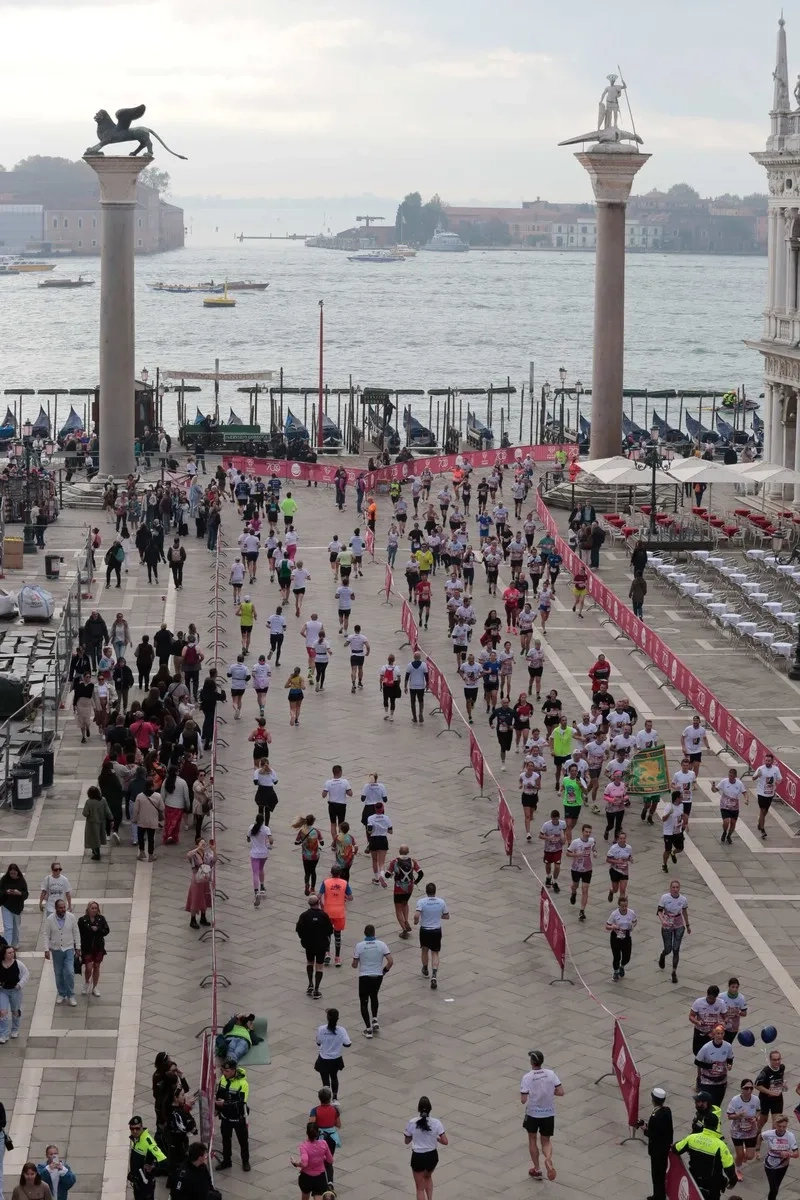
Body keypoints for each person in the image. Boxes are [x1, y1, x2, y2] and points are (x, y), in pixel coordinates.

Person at [673, 1113, 738, 1200]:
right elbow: (729, 1168)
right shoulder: (721, 1146)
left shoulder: (691, 1138)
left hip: (694, 1180)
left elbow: (676, 1149)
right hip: (712, 1186)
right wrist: (733, 1181)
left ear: (704, 1124)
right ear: (716, 1127)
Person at [519, 1050, 562, 1181]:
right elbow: (560, 1092)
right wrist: (549, 1092)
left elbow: (523, 1100)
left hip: (533, 1114)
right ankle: (548, 1160)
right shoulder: (551, 1074)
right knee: (546, 1141)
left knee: (532, 1139)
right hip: (548, 1113)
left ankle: (537, 1169)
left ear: (532, 1062)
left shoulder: (527, 1077)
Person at [351, 923, 393, 1038]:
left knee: (364, 1002)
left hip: (364, 976)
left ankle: (368, 1029)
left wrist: (356, 962)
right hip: (377, 976)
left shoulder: (359, 946)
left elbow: (354, 965)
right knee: (374, 996)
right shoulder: (382, 945)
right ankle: (375, 1019)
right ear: (374, 933)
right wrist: (384, 971)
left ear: (365, 933)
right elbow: (390, 961)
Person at [404, 1096, 448, 1200]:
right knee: (428, 1177)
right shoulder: (437, 1123)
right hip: (432, 1156)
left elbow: (406, 1141)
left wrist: (412, 1136)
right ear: (430, 1109)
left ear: (418, 1109)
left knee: (419, 1189)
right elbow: (445, 1141)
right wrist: (436, 1139)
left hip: (418, 1157)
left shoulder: (412, 1122)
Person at [214, 1061, 250, 1172]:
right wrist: (217, 1109)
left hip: (238, 1118)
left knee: (243, 1141)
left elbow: (241, 1102)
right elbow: (219, 1094)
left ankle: (245, 1161)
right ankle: (226, 1161)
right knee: (225, 1139)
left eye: (227, 1071)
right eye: (223, 1071)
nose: (224, 1073)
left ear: (234, 1070)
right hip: (225, 1117)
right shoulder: (223, 1079)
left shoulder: (243, 1084)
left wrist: (224, 1104)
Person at [413, 882, 449, 991]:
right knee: (435, 952)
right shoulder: (441, 902)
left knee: (424, 950)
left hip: (424, 930)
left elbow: (416, 915)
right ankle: (434, 975)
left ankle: (425, 969)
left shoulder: (421, 902)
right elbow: (447, 916)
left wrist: (416, 921)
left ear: (426, 891)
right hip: (436, 930)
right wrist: (438, 915)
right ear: (435, 891)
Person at [296, 895, 333, 998]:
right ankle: (316, 989)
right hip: (321, 945)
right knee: (319, 966)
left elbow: (299, 929)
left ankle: (310, 984)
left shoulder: (304, 915)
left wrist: (303, 939)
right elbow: (330, 930)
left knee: (310, 962)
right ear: (318, 903)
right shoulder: (324, 915)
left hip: (309, 944)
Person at [43, 899, 79, 1006]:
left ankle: (71, 994)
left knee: (69, 971)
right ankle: (61, 993)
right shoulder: (50, 919)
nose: (63, 909)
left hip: (68, 948)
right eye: (61, 907)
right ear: (56, 908)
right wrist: (46, 949)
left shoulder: (71, 917)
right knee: (58, 973)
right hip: (56, 949)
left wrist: (78, 947)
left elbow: (76, 932)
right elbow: (45, 935)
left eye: (64, 907)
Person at [641, 1087, 673, 1200]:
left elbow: (653, 1134)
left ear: (653, 1100)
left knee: (657, 1175)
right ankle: (659, 1194)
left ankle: (658, 1196)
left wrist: (645, 1129)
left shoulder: (655, 1117)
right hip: (664, 1148)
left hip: (657, 1150)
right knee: (661, 1173)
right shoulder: (667, 1111)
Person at [385, 847, 423, 938]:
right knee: (405, 904)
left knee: (398, 909)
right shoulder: (412, 861)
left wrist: (392, 873)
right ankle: (406, 920)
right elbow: (421, 873)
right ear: (408, 852)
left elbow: (387, 875)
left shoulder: (394, 861)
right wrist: (415, 882)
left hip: (398, 888)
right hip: (409, 888)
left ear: (399, 851)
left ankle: (404, 930)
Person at [318, 864, 352, 967]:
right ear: (340, 873)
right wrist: (344, 895)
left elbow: (319, 895)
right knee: (338, 935)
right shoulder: (344, 883)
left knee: (327, 933)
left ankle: (327, 953)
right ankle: (337, 958)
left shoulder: (326, 882)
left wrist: (321, 903)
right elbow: (350, 897)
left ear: (331, 873)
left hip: (328, 912)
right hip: (339, 913)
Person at [657, 879, 690, 984]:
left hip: (679, 923)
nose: (675, 889)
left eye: (677, 887)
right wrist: (663, 921)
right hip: (667, 922)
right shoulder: (665, 898)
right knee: (668, 949)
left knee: (676, 949)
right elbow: (659, 911)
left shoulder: (683, 899)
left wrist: (688, 925)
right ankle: (663, 955)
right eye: (673, 887)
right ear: (670, 888)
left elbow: (684, 912)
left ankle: (674, 971)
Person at [314, 1008, 351, 1101]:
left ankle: (326, 1099)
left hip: (324, 1058)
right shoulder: (341, 1030)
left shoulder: (321, 1029)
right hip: (336, 1058)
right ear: (337, 1018)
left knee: (325, 1079)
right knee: (334, 1076)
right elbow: (348, 1044)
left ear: (327, 1017)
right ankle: (335, 1098)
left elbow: (318, 1042)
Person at [726, 1079, 760, 1179]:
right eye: (746, 1088)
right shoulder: (735, 1100)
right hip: (737, 1131)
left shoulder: (756, 1099)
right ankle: (738, 1170)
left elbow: (759, 1110)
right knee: (740, 1155)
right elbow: (729, 1115)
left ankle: (743, 1154)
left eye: (751, 1088)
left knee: (750, 1156)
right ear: (741, 1089)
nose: (749, 1090)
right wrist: (738, 1115)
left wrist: (755, 1118)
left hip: (751, 1130)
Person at [291, 1122, 333, 1200]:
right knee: (318, 1196)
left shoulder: (304, 1146)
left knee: (305, 1196)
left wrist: (295, 1163)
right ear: (318, 1133)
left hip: (306, 1178)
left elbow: (304, 1163)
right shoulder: (324, 1144)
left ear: (307, 1133)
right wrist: (321, 1157)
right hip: (320, 1177)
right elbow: (330, 1160)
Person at [695, 1024, 734, 1107]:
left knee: (717, 1105)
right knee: (707, 1104)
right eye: (718, 1033)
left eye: (721, 1033)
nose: (720, 1036)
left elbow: (730, 1058)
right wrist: (710, 1066)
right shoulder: (706, 1048)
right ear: (714, 1034)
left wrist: (729, 1064)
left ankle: (716, 1119)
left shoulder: (728, 1046)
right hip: (708, 1081)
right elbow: (697, 1061)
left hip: (721, 1081)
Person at [762, 1114, 799, 1200]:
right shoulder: (768, 1134)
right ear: (775, 1124)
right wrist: (757, 1149)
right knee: (773, 1188)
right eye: (780, 1126)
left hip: (783, 1165)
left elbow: (796, 1154)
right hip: (769, 1164)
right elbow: (760, 1136)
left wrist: (788, 1154)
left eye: (784, 1127)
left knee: (776, 1187)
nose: (782, 1129)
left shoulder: (790, 1136)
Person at [78, 901, 109, 998]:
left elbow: (106, 930)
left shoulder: (101, 919)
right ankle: (87, 982)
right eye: (92, 908)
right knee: (88, 967)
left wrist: (98, 930)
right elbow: (78, 933)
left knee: (97, 966)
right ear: (88, 909)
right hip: (87, 947)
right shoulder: (82, 920)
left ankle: (95, 986)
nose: (94, 910)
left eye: (96, 908)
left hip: (98, 947)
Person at [566, 822, 596, 921]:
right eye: (586, 832)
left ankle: (582, 911)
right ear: (582, 832)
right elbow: (567, 853)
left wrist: (595, 852)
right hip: (576, 869)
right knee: (575, 885)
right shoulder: (575, 842)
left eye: (589, 832)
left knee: (585, 889)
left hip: (587, 869)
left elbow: (593, 847)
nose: (588, 834)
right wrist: (576, 855)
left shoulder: (591, 841)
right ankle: (573, 893)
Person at [0, 944, 29, 1043]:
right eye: (9, 953)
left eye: (13, 952)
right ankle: (3, 1033)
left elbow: (26, 974)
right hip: (3, 991)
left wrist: (20, 985)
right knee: (2, 1012)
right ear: (4, 954)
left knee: (15, 1011)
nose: (12, 954)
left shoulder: (18, 964)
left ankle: (15, 1029)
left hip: (15, 991)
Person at [712, 768, 748, 844]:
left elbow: (745, 792)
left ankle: (729, 835)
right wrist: (713, 787)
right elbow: (715, 790)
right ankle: (724, 831)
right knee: (726, 821)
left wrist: (746, 800)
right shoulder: (724, 782)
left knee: (733, 823)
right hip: (724, 805)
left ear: (735, 776)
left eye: (732, 775)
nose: (730, 777)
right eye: (729, 775)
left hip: (734, 807)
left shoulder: (739, 783)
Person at [690, 986, 728, 1056]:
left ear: (716, 997)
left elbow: (726, 1016)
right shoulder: (698, 1002)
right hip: (700, 1031)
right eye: (709, 998)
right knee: (697, 1052)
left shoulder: (721, 1003)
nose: (711, 1001)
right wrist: (697, 1022)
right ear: (707, 995)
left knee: (712, 1053)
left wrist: (723, 1023)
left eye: (713, 999)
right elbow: (691, 1016)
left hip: (713, 1033)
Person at [185, 838, 214, 929]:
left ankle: (203, 917)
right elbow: (188, 855)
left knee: (204, 898)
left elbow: (214, 860)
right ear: (197, 844)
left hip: (205, 880)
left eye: (204, 843)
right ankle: (192, 920)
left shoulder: (207, 855)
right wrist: (198, 848)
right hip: (197, 880)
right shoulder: (194, 854)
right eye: (201, 843)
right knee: (195, 899)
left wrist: (214, 850)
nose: (203, 844)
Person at [756, 1049, 787, 1134]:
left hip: (777, 1099)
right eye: (774, 1060)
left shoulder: (782, 1067)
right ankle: (756, 1134)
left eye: (778, 1059)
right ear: (770, 1060)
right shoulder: (765, 1071)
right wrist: (769, 1092)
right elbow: (757, 1085)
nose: (777, 1061)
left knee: (776, 1122)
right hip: (765, 1099)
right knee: (763, 1120)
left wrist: (783, 1085)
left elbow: (781, 1077)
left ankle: (773, 1141)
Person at [753, 752, 783, 839]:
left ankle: (760, 823)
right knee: (762, 810)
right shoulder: (761, 769)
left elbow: (780, 779)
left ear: (772, 761)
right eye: (766, 760)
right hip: (761, 793)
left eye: (769, 761)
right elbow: (753, 778)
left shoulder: (776, 769)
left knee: (765, 811)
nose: (767, 762)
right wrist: (758, 775)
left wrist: (776, 783)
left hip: (770, 794)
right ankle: (762, 830)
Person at [294, 814, 324, 896]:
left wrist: (300, 842)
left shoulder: (302, 831)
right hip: (315, 856)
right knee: (313, 871)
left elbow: (296, 842)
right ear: (313, 822)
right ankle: (313, 889)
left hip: (306, 856)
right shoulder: (316, 831)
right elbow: (322, 842)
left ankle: (307, 885)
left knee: (307, 872)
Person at [247, 812, 273, 907]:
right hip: (264, 854)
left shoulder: (251, 827)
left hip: (254, 854)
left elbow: (248, 839)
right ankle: (262, 885)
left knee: (255, 873)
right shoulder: (266, 829)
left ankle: (256, 891)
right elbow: (271, 840)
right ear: (263, 821)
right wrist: (269, 844)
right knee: (261, 869)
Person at [82, 785, 113, 862]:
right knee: (98, 837)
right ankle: (96, 851)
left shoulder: (89, 802)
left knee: (93, 838)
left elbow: (85, 813)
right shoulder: (103, 800)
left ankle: (96, 853)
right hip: (101, 822)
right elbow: (107, 811)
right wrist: (111, 818)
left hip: (91, 823)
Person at [0, 863, 27, 948]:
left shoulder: (21, 880)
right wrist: (6, 892)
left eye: (14, 873)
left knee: (16, 927)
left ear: (17, 872)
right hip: (6, 906)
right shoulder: (4, 879)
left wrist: (19, 893)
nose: (12, 875)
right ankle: (7, 945)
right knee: (8, 927)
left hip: (17, 907)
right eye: (11, 873)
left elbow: (26, 893)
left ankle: (15, 944)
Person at [133, 787, 163, 862]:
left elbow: (136, 809)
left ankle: (142, 852)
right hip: (152, 821)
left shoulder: (139, 796)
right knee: (151, 839)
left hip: (142, 821)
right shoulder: (158, 796)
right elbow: (162, 807)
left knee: (140, 837)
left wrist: (135, 819)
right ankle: (150, 855)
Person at [404, 650, 429, 724]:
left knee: (413, 702)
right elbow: (427, 676)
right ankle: (420, 713)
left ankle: (414, 717)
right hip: (421, 686)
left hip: (412, 686)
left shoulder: (409, 665)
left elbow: (406, 677)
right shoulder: (424, 665)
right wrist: (427, 684)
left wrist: (405, 686)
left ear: (413, 657)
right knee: (421, 701)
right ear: (420, 657)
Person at [380, 654, 402, 720]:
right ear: (394, 660)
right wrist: (398, 685)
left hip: (386, 684)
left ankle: (386, 713)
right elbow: (399, 679)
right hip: (394, 684)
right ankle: (391, 716)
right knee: (393, 701)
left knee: (385, 699)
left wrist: (380, 685)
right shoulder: (396, 668)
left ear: (388, 660)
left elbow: (381, 677)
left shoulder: (384, 667)